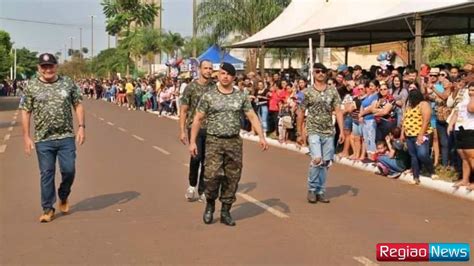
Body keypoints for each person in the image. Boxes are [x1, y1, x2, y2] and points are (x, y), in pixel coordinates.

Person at [189, 62, 268, 226]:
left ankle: (225, 211)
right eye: (222, 73)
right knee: (211, 176)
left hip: (234, 142)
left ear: (233, 77)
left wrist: (261, 136)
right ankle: (210, 204)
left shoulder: (240, 96)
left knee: (232, 178)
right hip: (214, 141)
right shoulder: (209, 96)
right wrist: (192, 142)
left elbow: (252, 116)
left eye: (228, 74)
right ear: (218, 75)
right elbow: (197, 118)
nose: (225, 77)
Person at [20, 53, 85, 223]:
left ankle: (63, 195)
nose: (47, 69)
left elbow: (78, 104)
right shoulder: (31, 86)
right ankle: (47, 209)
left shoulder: (67, 83)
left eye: (50, 66)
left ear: (56, 66)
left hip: (66, 137)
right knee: (47, 173)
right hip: (43, 139)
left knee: (69, 170)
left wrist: (81, 127)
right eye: (44, 66)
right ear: (39, 68)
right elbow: (25, 111)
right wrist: (26, 136)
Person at [296, 63, 344, 204]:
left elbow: (338, 110)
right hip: (313, 129)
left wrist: (341, 130)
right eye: (318, 71)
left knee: (325, 162)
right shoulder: (308, 92)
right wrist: (299, 133)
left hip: (329, 130)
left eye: (323, 71)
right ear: (313, 74)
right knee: (316, 159)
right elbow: (300, 112)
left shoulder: (332, 91)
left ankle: (321, 190)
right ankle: (312, 189)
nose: (321, 74)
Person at [179, 60, 215, 202]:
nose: (208, 71)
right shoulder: (190, 87)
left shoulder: (215, 87)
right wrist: (182, 130)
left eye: (210, 68)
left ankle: (202, 190)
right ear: (199, 69)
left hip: (211, 128)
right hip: (194, 128)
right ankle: (192, 185)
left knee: (207, 161)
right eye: (205, 68)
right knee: (196, 158)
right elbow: (183, 110)